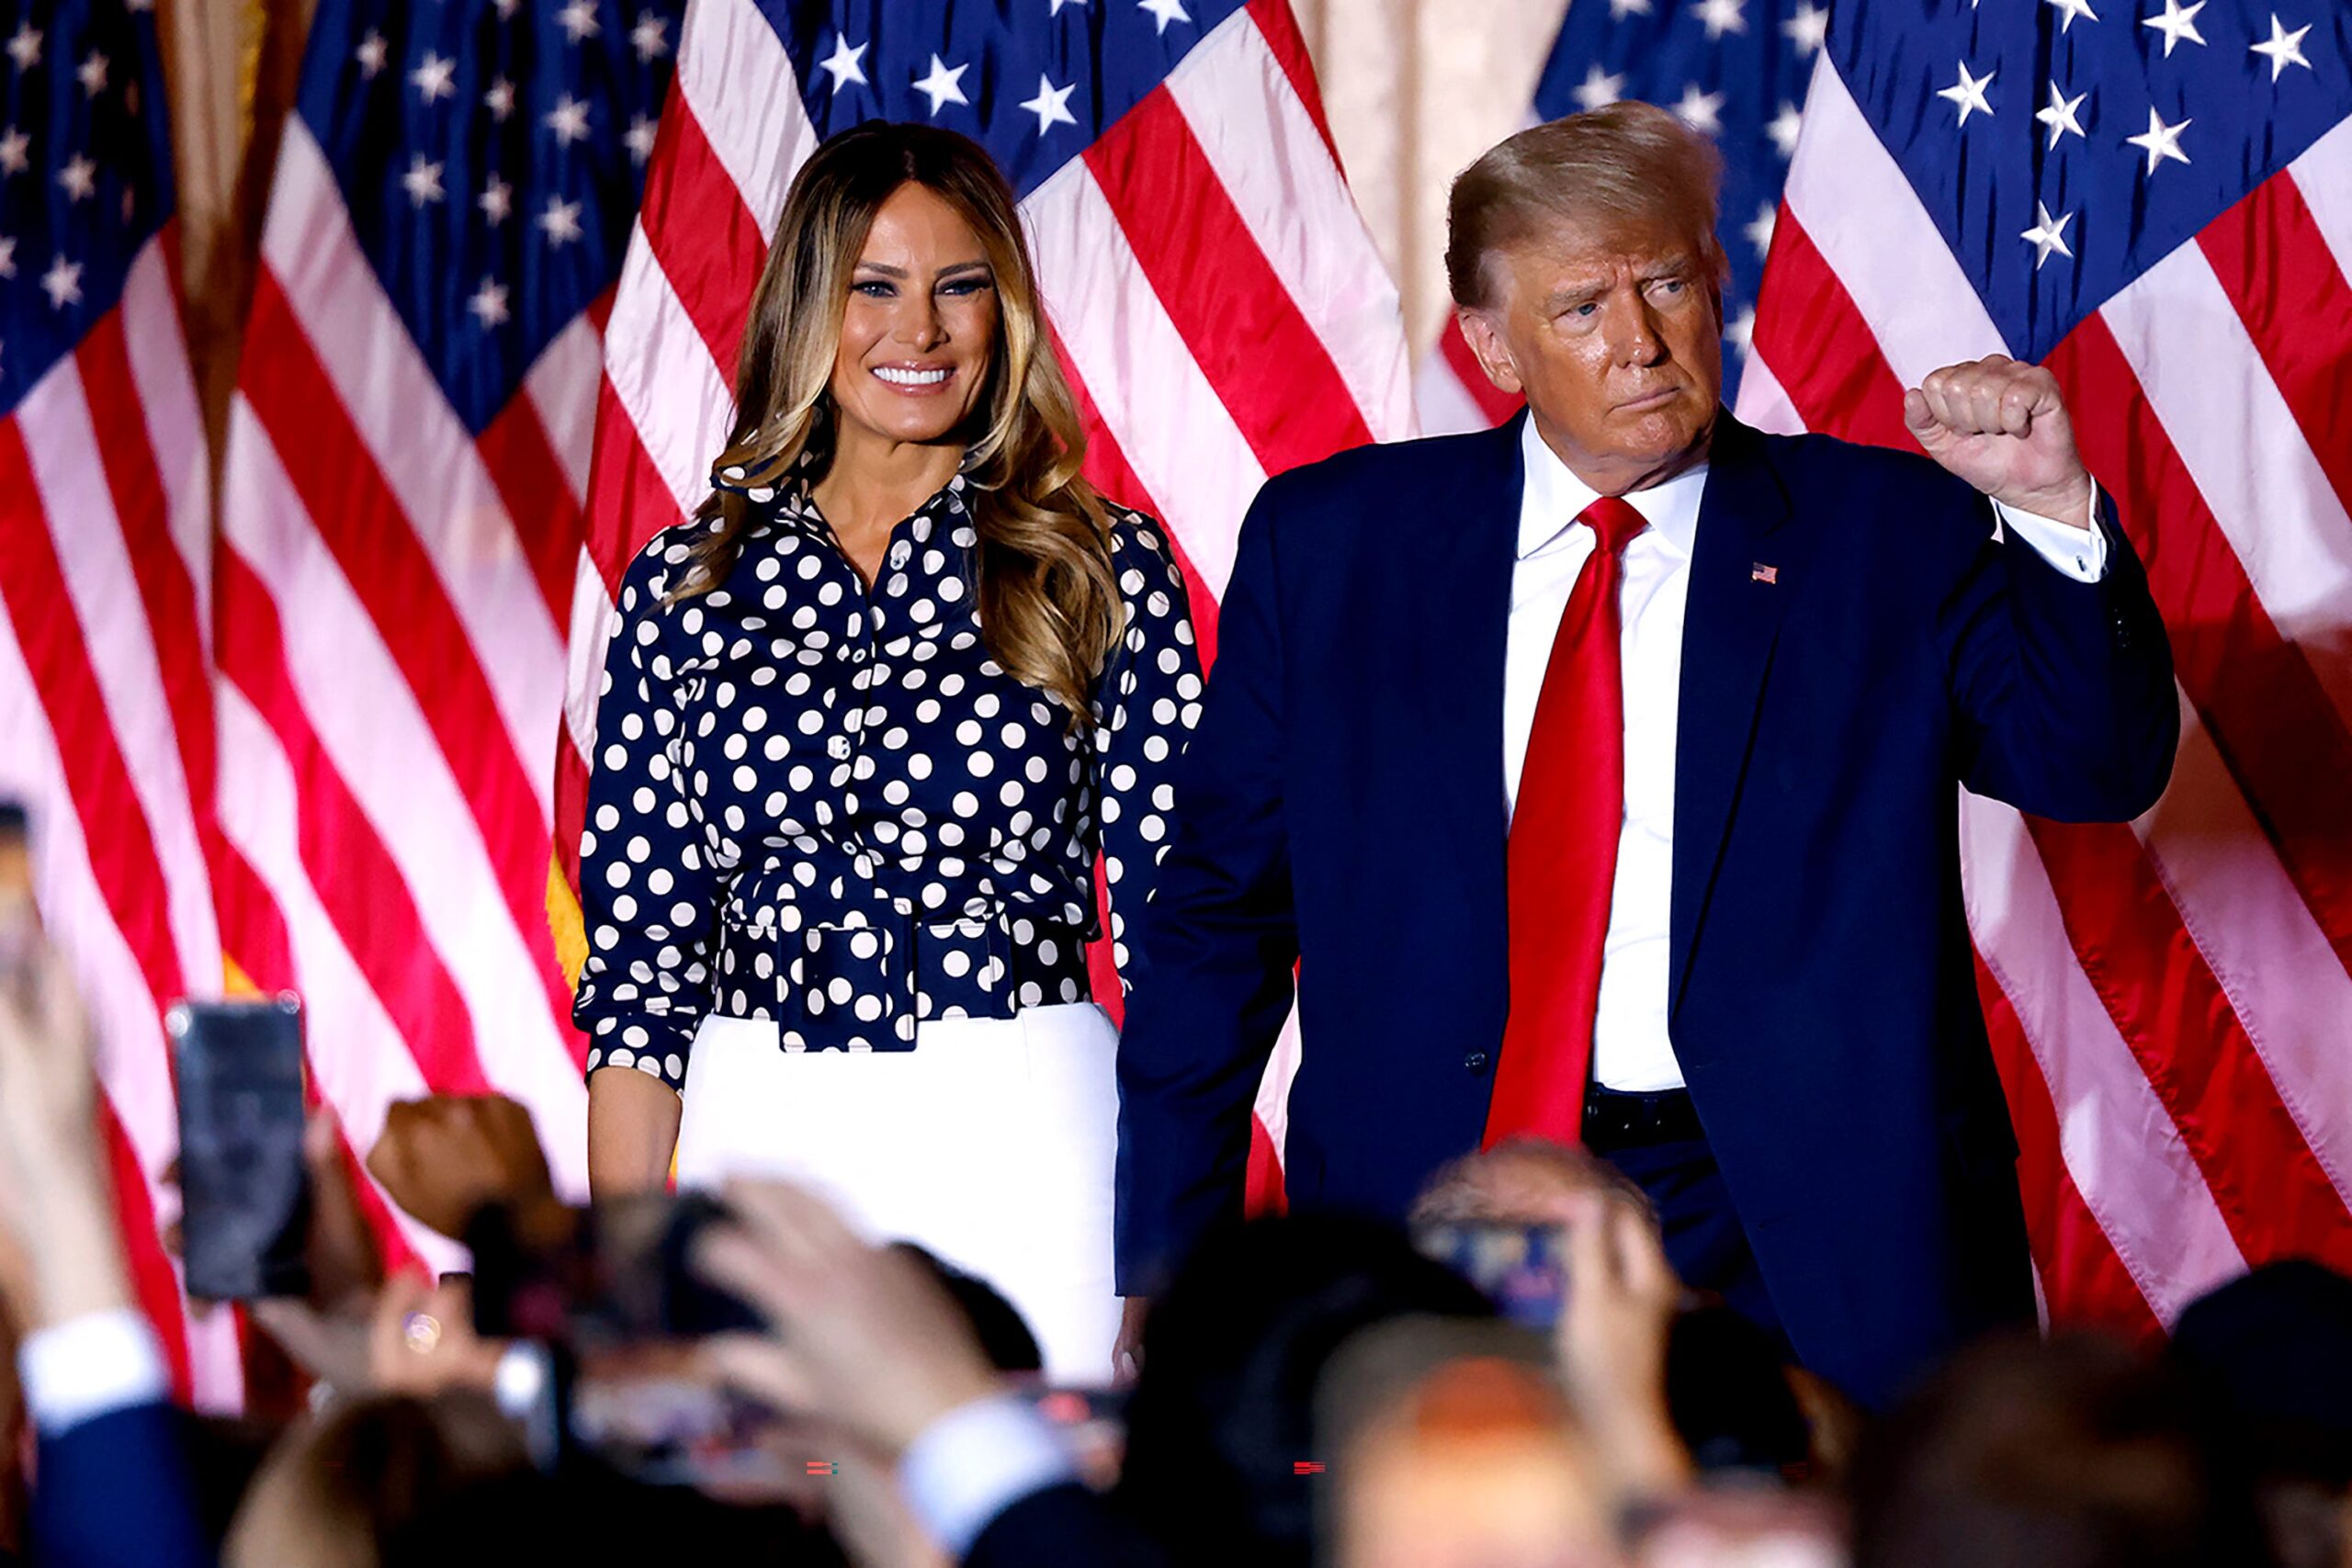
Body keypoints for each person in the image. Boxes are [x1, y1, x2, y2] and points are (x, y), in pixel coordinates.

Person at [1114, 101, 2177, 1407]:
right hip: (1455, 1202)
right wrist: (1167, 1252)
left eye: (1666, 282)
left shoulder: (1885, 530)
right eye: (1580, 308)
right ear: (1495, 348)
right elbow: (1219, 914)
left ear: (1712, 287)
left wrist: (2053, 514)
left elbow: (2093, 768)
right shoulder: (1334, 546)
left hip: (1819, 1225)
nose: (1639, 341)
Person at [572, 122, 1202, 1381]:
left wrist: (1170, 1255)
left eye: (960, 286)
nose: (921, 331)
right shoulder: (686, 587)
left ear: (1004, 310)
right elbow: (642, 977)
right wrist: (624, 1273)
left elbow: (1180, 937)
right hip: (766, 1124)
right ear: (812, 304)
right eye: (876, 286)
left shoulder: (1096, 565)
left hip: (1030, 1118)